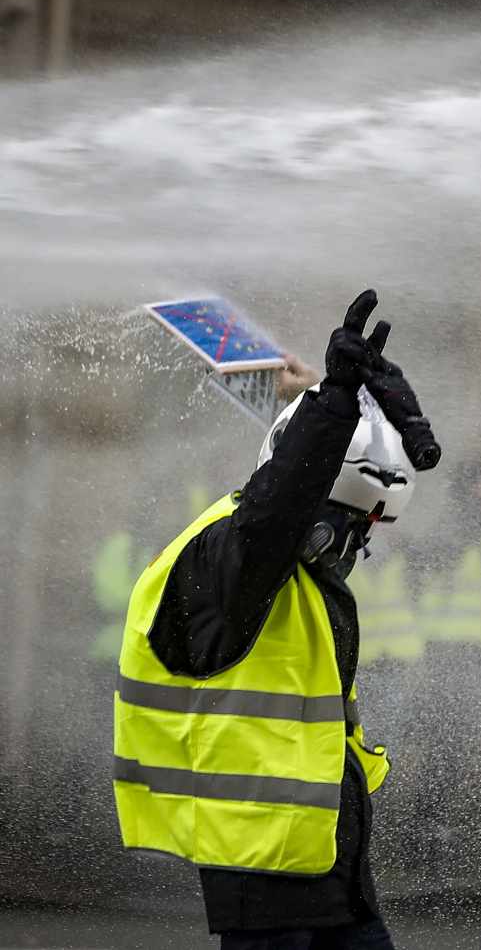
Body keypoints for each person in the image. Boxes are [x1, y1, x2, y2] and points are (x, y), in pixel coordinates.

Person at [112, 291, 440, 948]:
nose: (351, 550)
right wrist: (333, 398)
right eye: (346, 530)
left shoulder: (286, 573)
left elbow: (296, 480)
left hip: (328, 869)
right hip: (265, 876)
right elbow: (279, 503)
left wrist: (321, 396)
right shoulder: (229, 558)